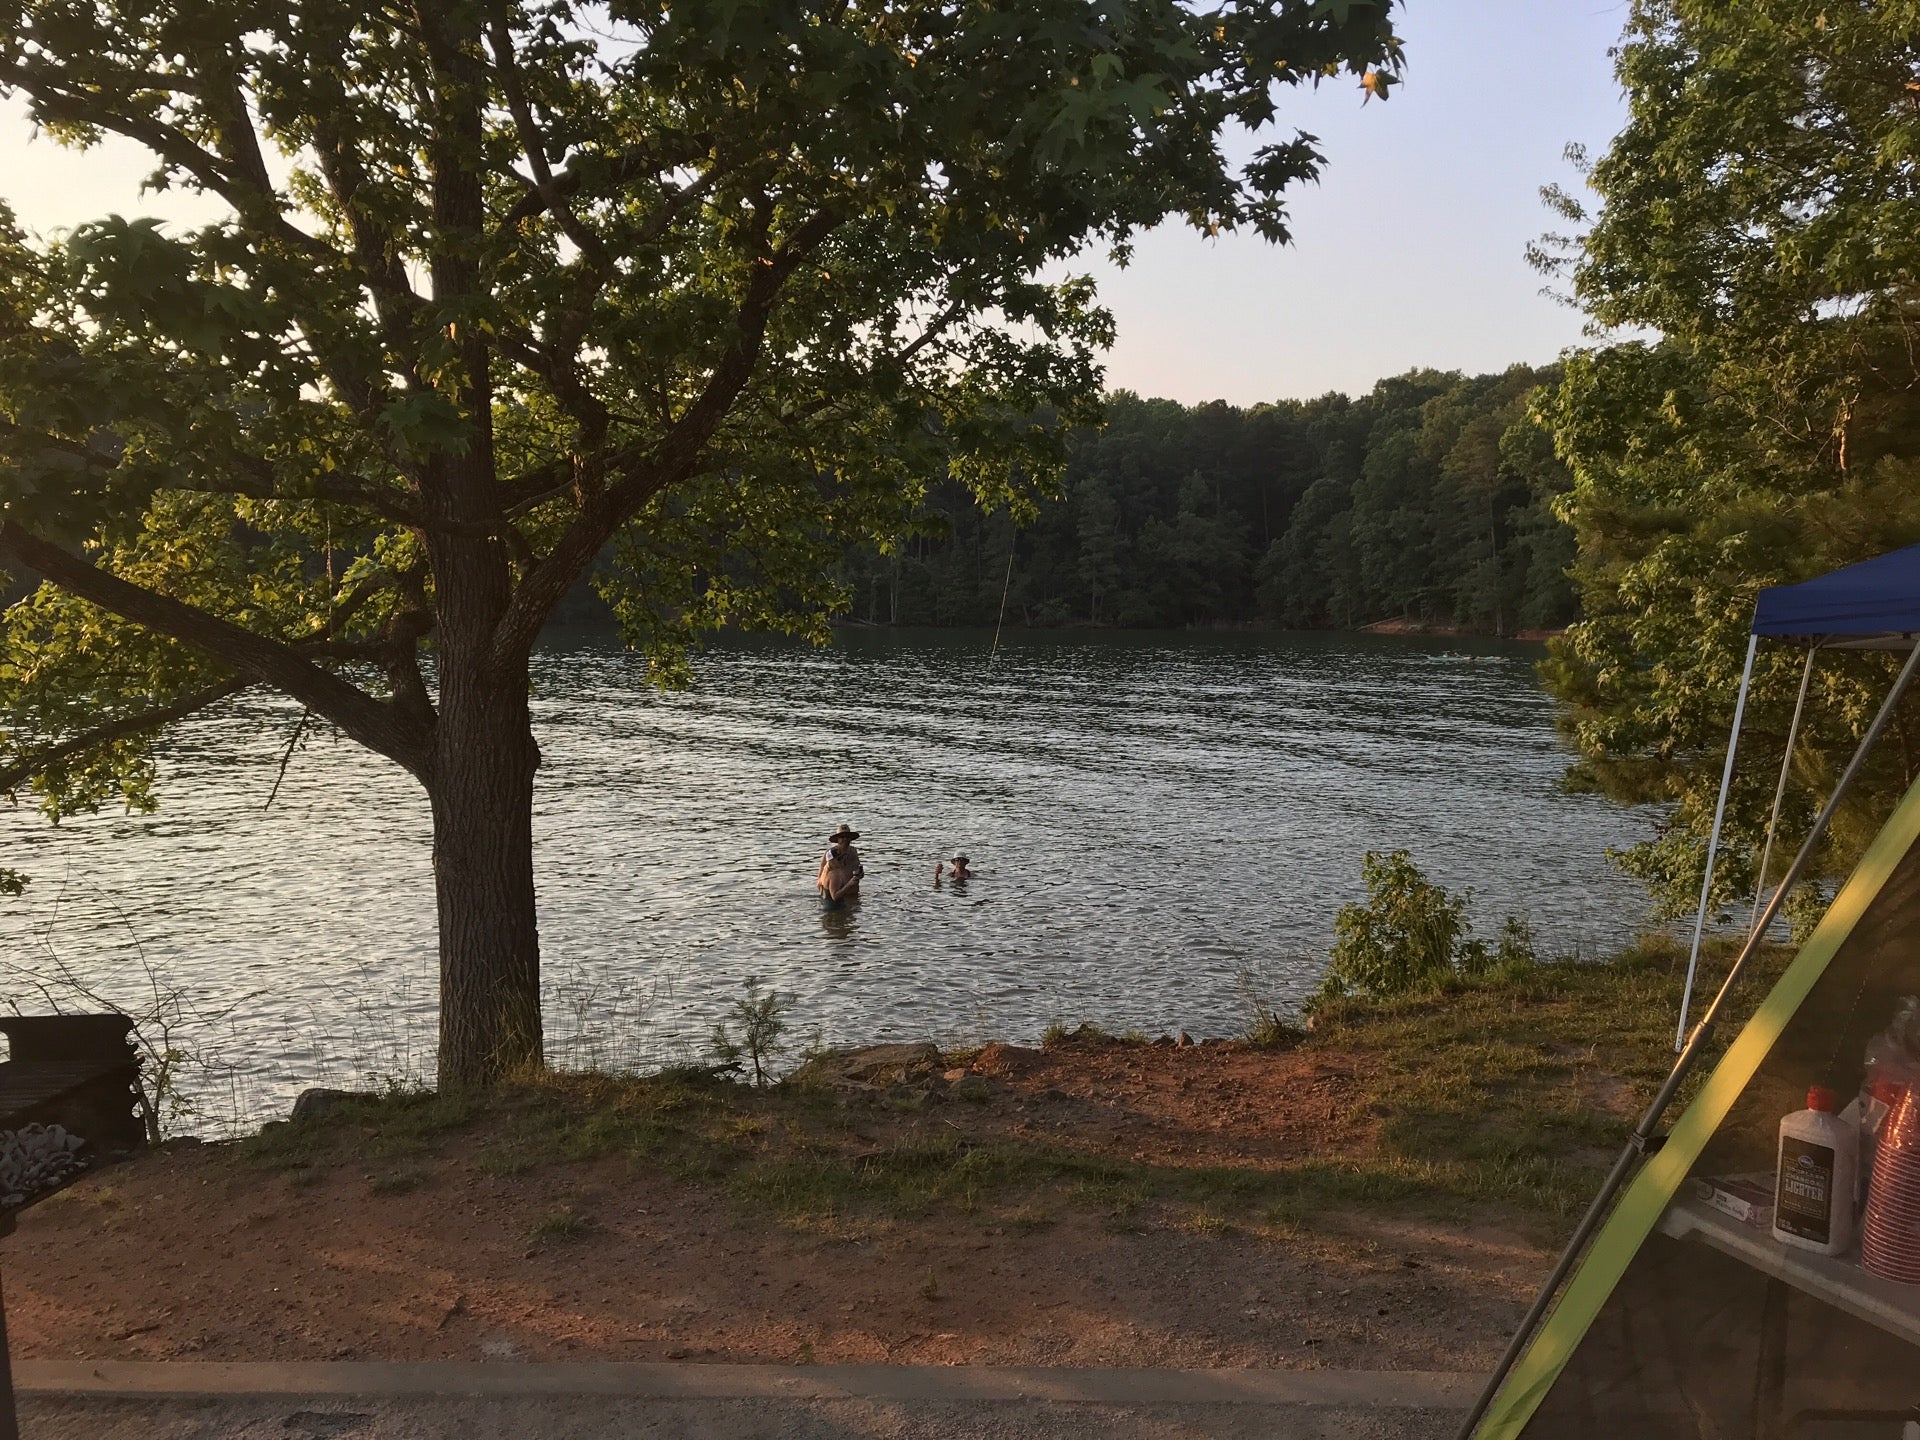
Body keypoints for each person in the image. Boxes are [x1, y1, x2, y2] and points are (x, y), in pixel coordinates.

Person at [818, 824, 864, 908]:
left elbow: (858, 869)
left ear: (850, 838)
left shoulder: (853, 852)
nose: (845, 839)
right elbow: (820, 879)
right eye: (842, 837)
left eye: (847, 837)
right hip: (835, 896)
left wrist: (860, 874)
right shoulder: (830, 854)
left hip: (852, 894)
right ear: (837, 839)